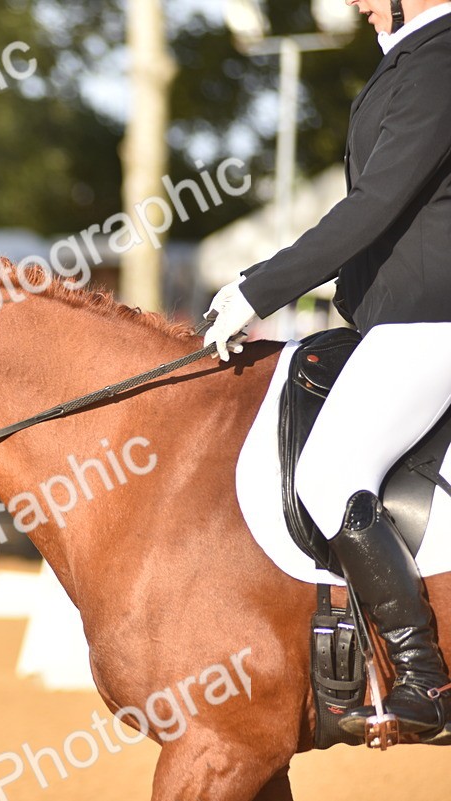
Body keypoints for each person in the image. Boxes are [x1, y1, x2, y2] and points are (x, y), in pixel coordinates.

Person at [205, 0, 451, 740]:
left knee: (329, 469)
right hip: (396, 316)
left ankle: (424, 679)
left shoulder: (441, 59)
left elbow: (374, 206)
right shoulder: (412, 55)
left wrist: (260, 288)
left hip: (433, 318)